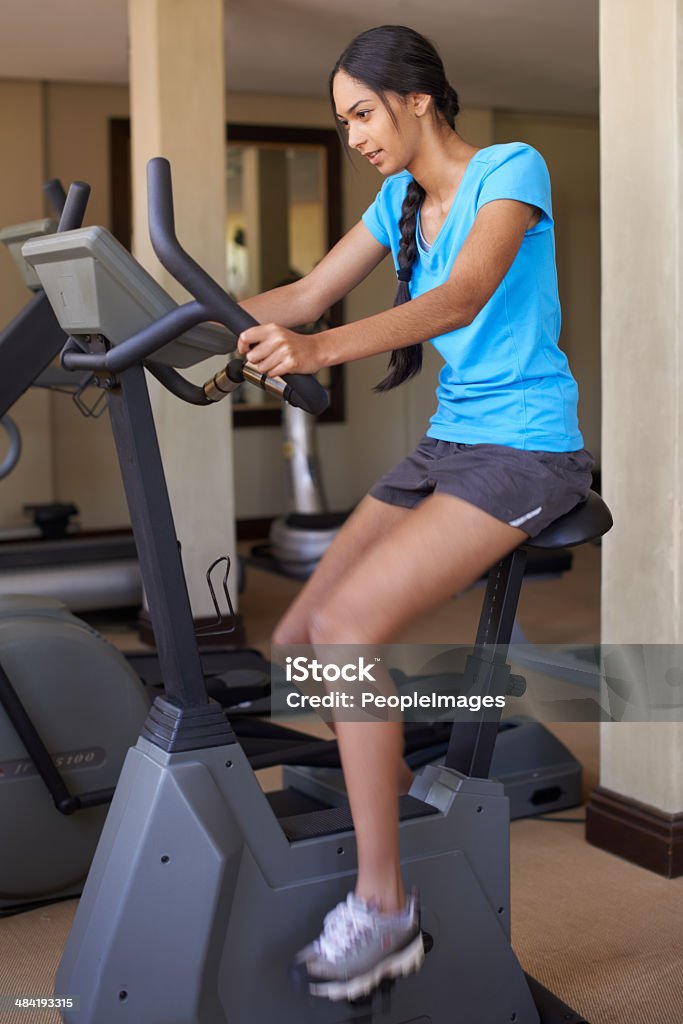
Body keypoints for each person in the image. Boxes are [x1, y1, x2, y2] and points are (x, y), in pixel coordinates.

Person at [236, 23, 594, 1002]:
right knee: (303, 636)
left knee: (350, 631)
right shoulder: (396, 198)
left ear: (416, 98)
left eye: (359, 113)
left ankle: (387, 905)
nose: (352, 135)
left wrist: (312, 354)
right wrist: (177, 326)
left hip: (526, 447)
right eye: (341, 121)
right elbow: (307, 293)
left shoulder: (508, 170)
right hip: (447, 441)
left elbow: (466, 294)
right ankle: (399, 813)